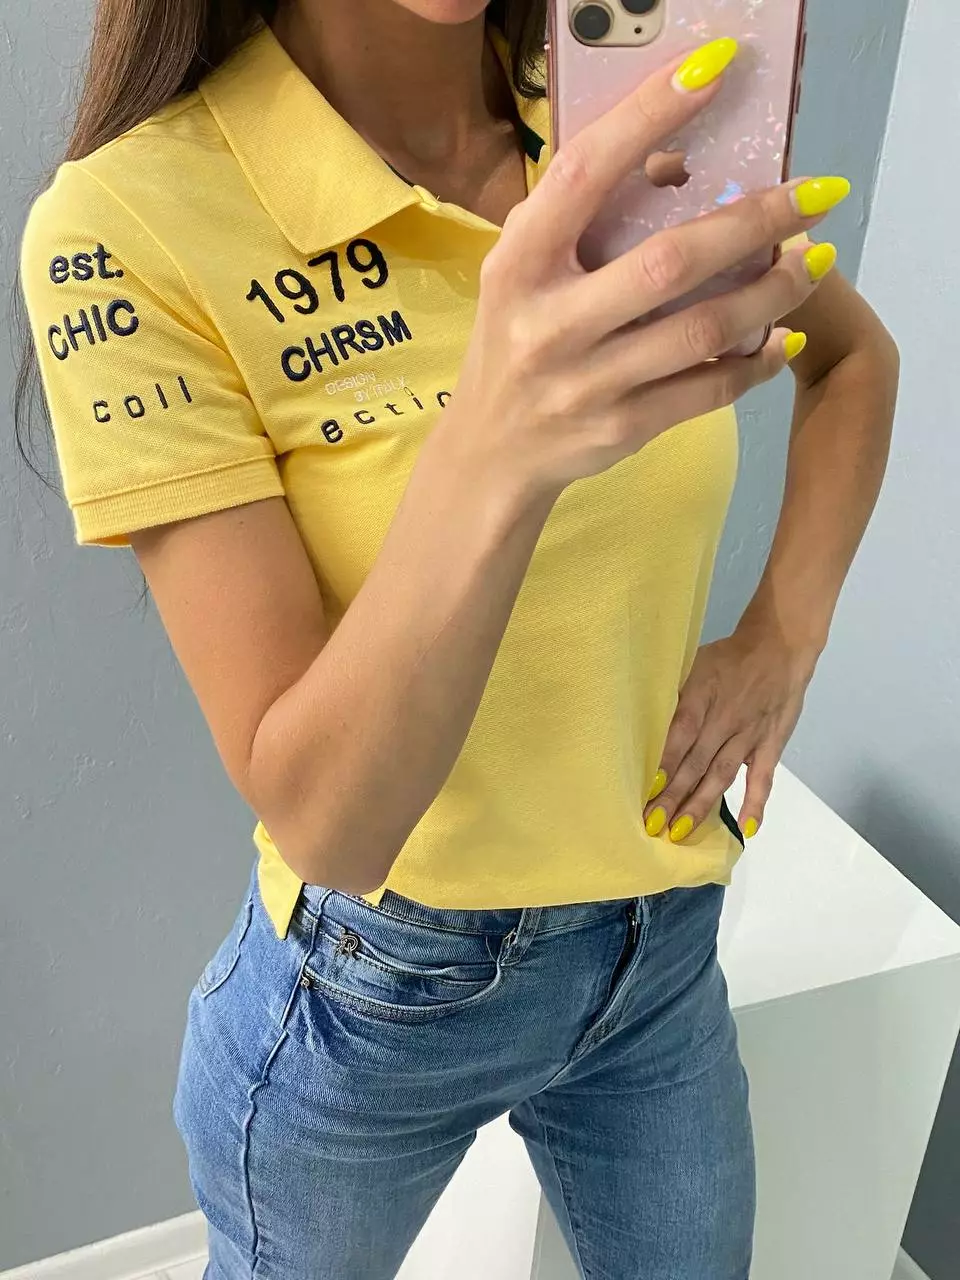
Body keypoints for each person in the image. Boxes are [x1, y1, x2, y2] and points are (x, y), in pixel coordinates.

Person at [15, 2, 899, 1276]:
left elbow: (853, 364)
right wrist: (499, 443)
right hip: (378, 987)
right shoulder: (125, 226)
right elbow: (331, 821)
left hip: (658, 937)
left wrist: (781, 638)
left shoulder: (615, 120)